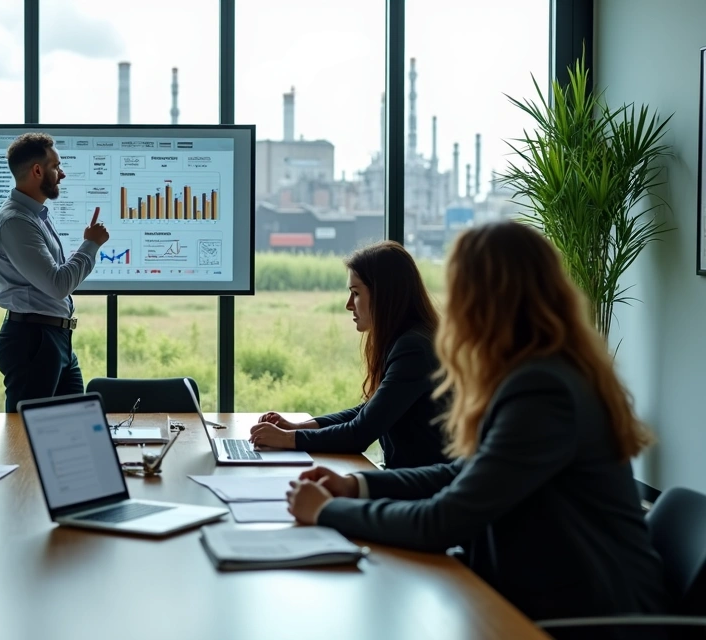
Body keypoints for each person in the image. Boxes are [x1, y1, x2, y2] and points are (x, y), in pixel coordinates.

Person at [286, 222, 668, 630]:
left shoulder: (544, 390)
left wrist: (329, 512)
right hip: (547, 593)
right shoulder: (540, 372)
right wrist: (357, 486)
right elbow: (464, 472)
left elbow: (444, 521)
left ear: (485, 301)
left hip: (593, 617)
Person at [249, 241, 448, 469]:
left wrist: (286, 439)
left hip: (424, 490)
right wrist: (297, 427)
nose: (348, 305)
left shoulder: (413, 348)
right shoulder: (410, 339)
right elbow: (367, 411)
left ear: (384, 295)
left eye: (355, 293)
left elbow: (360, 433)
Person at [0, 132, 110, 411]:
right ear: (37, 170)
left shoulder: (36, 217)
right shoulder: (16, 223)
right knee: (27, 434)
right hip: (34, 341)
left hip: (54, 338)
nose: (62, 174)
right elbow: (58, 284)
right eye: (56, 166)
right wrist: (91, 244)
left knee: (75, 423)